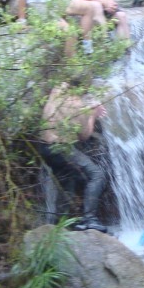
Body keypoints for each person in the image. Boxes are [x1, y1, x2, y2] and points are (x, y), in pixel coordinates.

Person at [37, 83, 109, 233]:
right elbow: (84, 135)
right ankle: (89, 219)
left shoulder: (56, 90)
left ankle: (61, 225)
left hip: (44, 146)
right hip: (60, 147)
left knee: (68, 179)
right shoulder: (76, 103)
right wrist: (93, 114)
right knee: (96, 175)